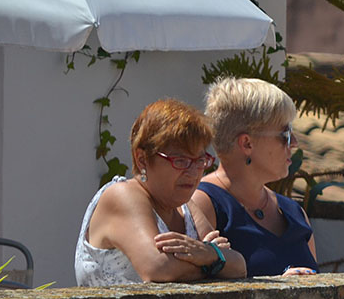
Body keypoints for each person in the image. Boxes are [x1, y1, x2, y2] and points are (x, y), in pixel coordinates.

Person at [75, 99, 246, 286]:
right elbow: (157, 268)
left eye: (199, 160)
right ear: (142, 160)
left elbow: (238, 266)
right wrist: (211, 259)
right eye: (180, 160)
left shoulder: (186, 206)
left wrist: (210, 255)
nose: (193, 171)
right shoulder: (123, 195)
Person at [192, 77, 318, 277]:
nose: (294, 143)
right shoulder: (203, 203)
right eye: (285, 135)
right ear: (247, 144)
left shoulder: (294, 212)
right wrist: (276, 289)